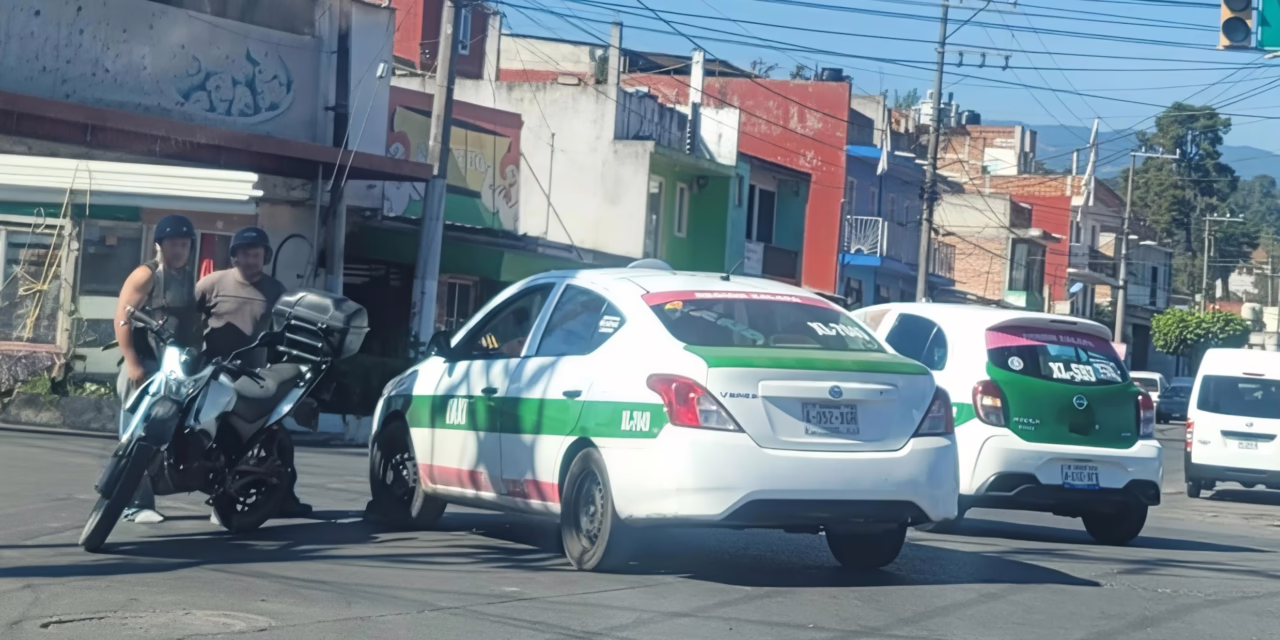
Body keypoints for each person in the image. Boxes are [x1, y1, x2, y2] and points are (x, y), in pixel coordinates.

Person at [196, 227, 312, 518]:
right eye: (245, 253)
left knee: (271, 432)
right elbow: (188, 318)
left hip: (251, 377)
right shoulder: (211, 284)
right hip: (209, 373)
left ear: (266, 257)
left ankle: (284, 497)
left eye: (256, 254)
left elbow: (288, 334)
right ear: (234, 256)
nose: (250, 260)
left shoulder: (277, 291)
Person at [114, 215, 200, 524]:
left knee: (160, 436)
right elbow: (122, 319)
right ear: (159, 245)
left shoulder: (189, 278)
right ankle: (136, 504)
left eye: (184, 244)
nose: (179, 250)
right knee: (133, 436)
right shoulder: (146, 274)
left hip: (172, 368)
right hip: (144, 364)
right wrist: (134, 364)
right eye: (173, 244)